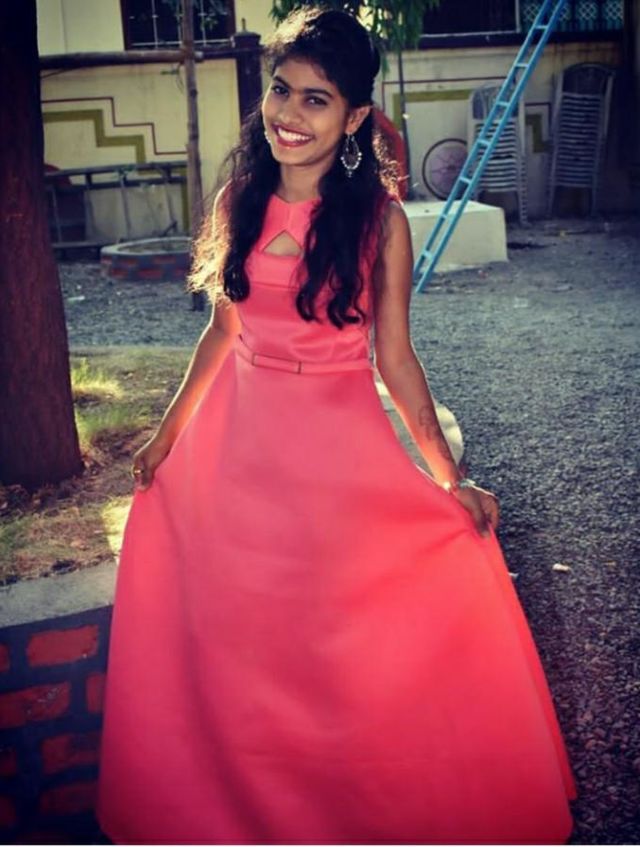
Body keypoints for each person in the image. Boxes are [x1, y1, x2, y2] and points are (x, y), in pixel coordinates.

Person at [96, 7, 577, 844]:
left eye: (316, 100)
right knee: (247, 649)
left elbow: (398, 361)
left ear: (354, 117)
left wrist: (449, 479)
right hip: (238, 452)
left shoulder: (379, 223)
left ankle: (357, 814)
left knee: (339, 650)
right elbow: (223, 330)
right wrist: (167, 436)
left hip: (337, 457)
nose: (289, 113)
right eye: (281, 90)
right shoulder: (241, 197)